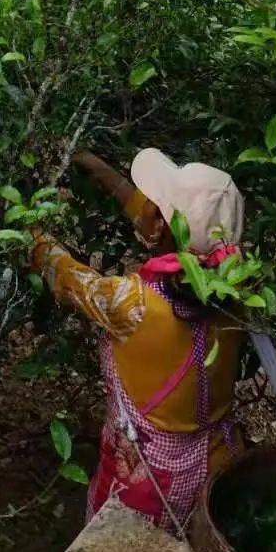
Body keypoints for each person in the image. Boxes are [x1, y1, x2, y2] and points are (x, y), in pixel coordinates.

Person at [31, 147, 246, 532]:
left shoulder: (132, 305)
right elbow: (156, 221)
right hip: (216, 463)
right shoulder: (241, 288)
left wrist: (25, 232)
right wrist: (100, 170)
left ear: (162, 228)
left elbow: (67, 279)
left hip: (148, 477)